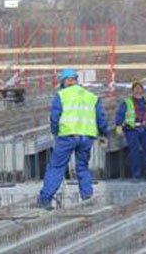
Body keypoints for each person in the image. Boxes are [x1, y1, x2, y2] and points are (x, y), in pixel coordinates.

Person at [37, 69, 109, 210]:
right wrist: (103, 133)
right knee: (82, 167)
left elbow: (54, 117)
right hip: (86, 137)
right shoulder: (91, 97)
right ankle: (87, 196)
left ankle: (45, 199)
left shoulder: (62, 95)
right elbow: (101, 118)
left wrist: (55, 131)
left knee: (56, 167)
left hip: (67, 136)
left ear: (64, 81)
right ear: (76, 80)